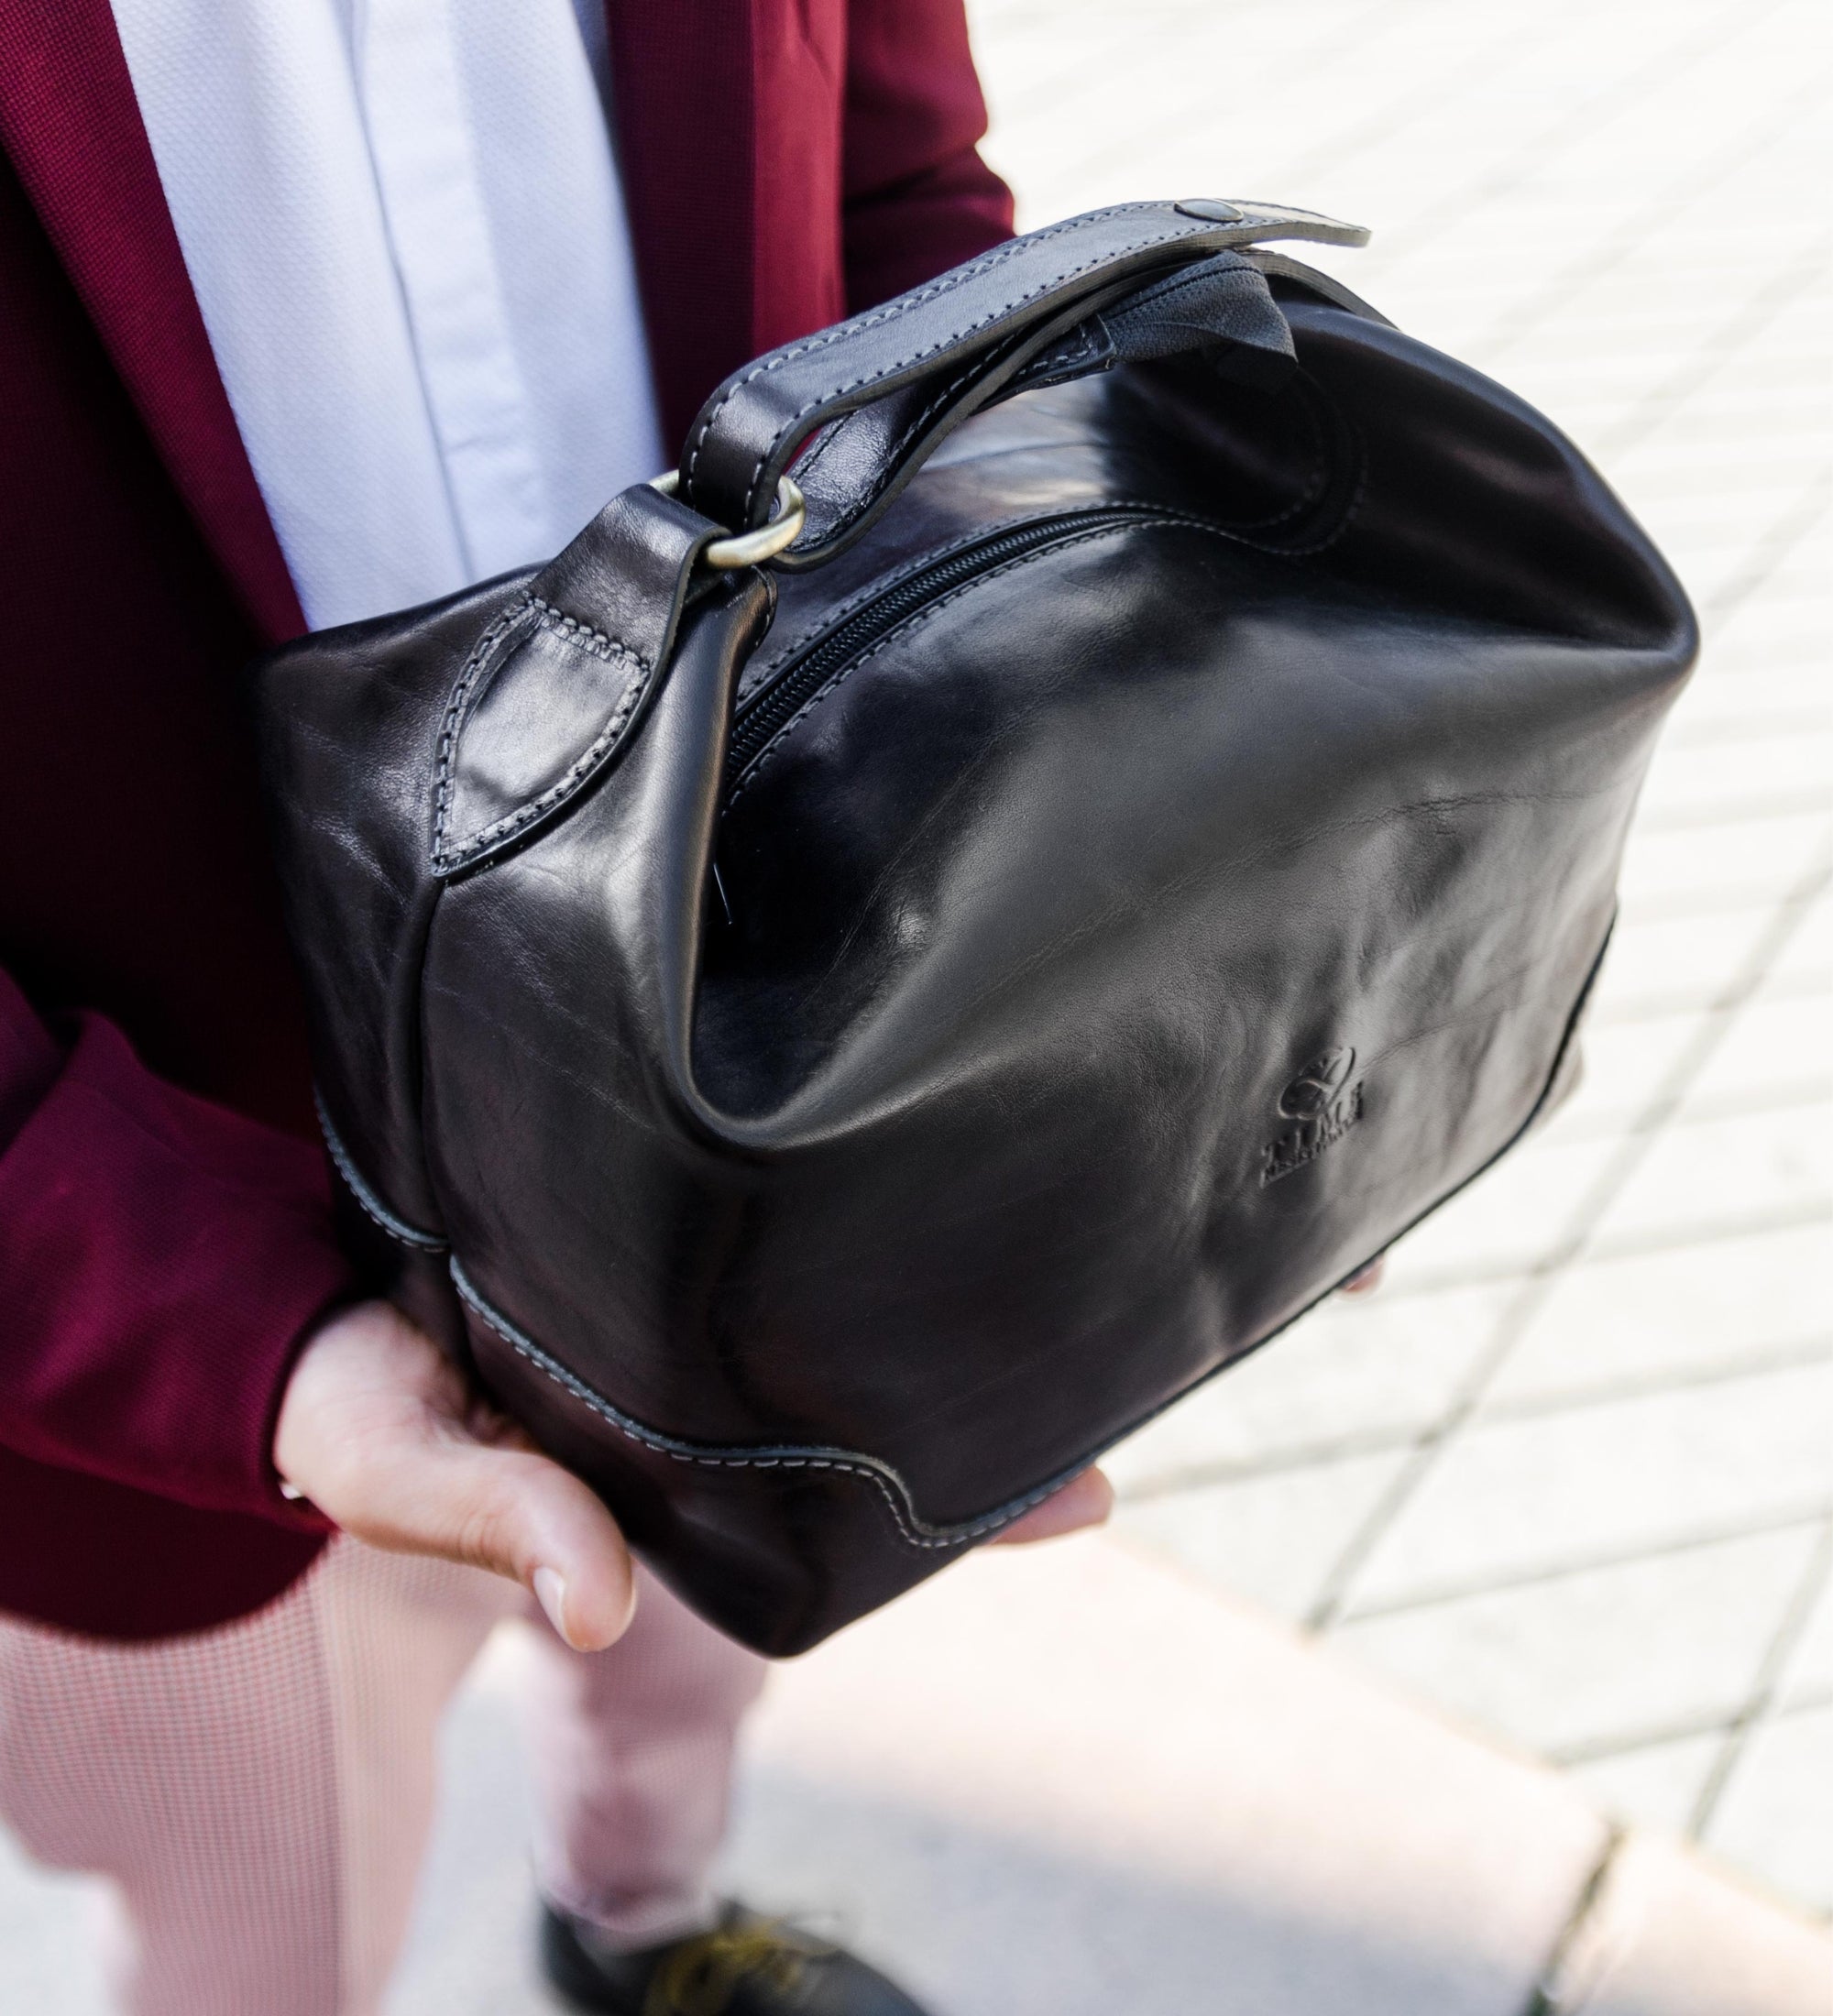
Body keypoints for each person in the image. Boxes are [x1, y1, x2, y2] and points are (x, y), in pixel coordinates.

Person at [0, 5, 1113, 2011]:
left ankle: (635, 1926)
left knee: (691, 1662)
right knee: (267, 1931)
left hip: (735, 1083)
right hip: (150, 1253)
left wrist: (1111, 869)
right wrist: (221, 1338)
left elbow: (898, 208)